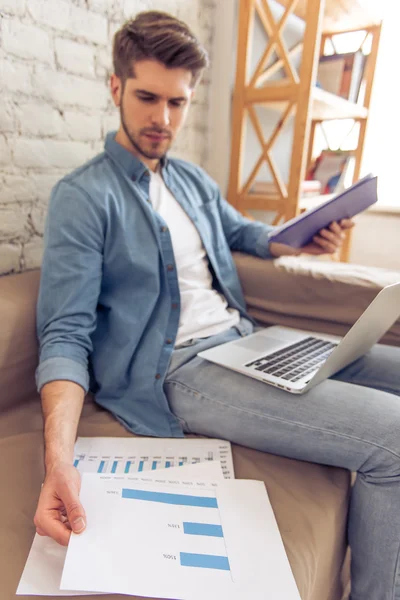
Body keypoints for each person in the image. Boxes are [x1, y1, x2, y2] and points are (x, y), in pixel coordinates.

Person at [33, 11, 400, 600]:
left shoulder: (194, 182)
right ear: (115, 87)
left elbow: (251, 235)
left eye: (177, 103)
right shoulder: (83, 197)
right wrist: (58, 460)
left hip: (251, 342)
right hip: (183, 371)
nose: (162, 119)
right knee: (394, 439)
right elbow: (65, 335)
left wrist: (304, 235)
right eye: (148, 98)